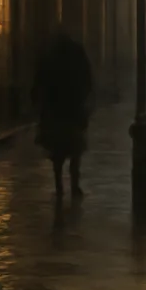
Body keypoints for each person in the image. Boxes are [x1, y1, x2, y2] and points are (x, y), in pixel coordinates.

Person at [33, 30, 93, 200]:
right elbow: (87, 78)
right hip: (72, 108)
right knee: (75, 151)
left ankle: (60, 185)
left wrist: (39, 103)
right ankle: (74, 186)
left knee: (58, 152)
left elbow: (40, 81)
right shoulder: (76, 54)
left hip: (57, 110)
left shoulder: (50, 54)